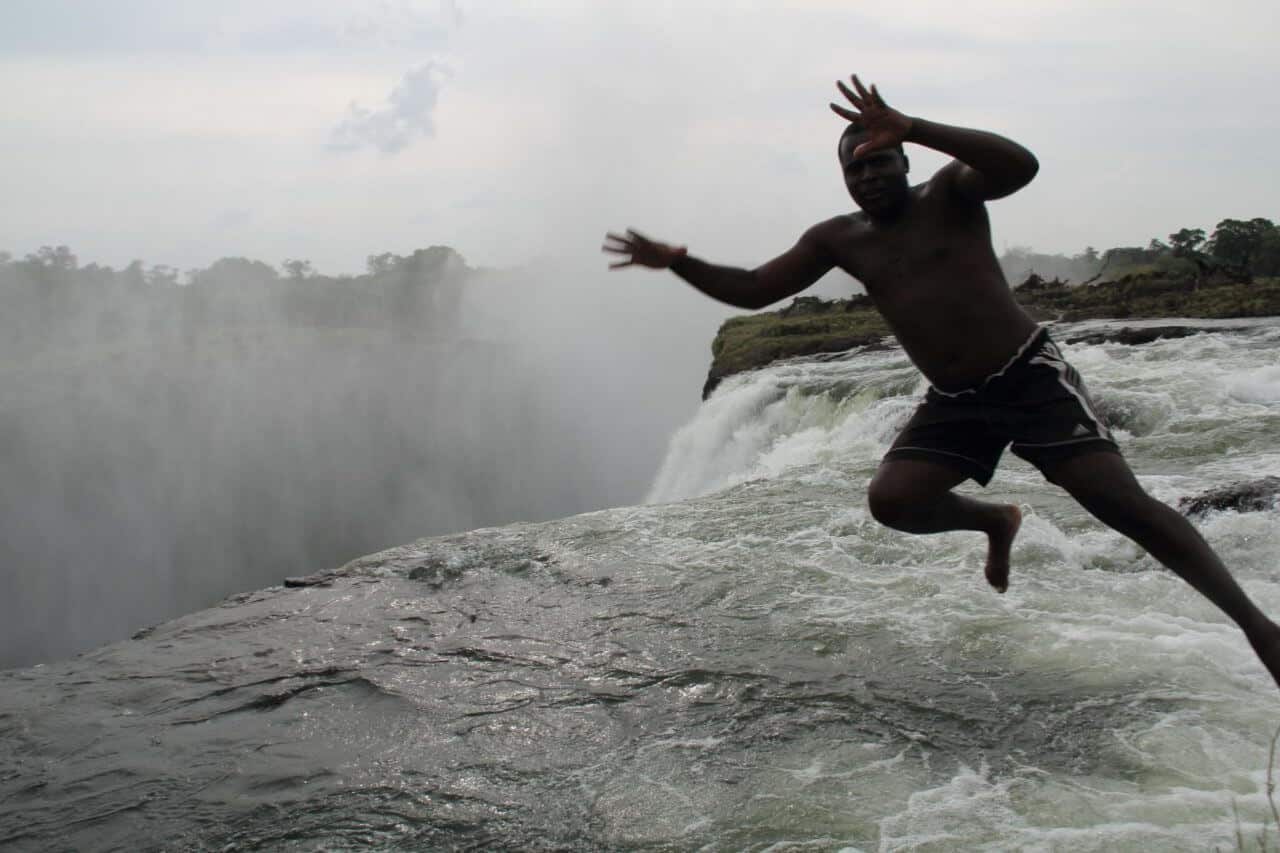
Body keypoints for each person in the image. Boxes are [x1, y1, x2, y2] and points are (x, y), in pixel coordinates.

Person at [603, 74, 1280, 688]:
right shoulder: (840, 239)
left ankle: (1258, 628)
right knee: (893, 500)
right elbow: (754, 289)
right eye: (855, 168)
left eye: (880, 161)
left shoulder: (952, 193)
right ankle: (994, 520)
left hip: (1028, 378)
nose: (868, 176)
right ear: (843, 178)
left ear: (903, 160)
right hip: (956, 402)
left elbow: (1021, 165)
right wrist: (680, 263)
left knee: (1127, 508)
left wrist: (916, 124)